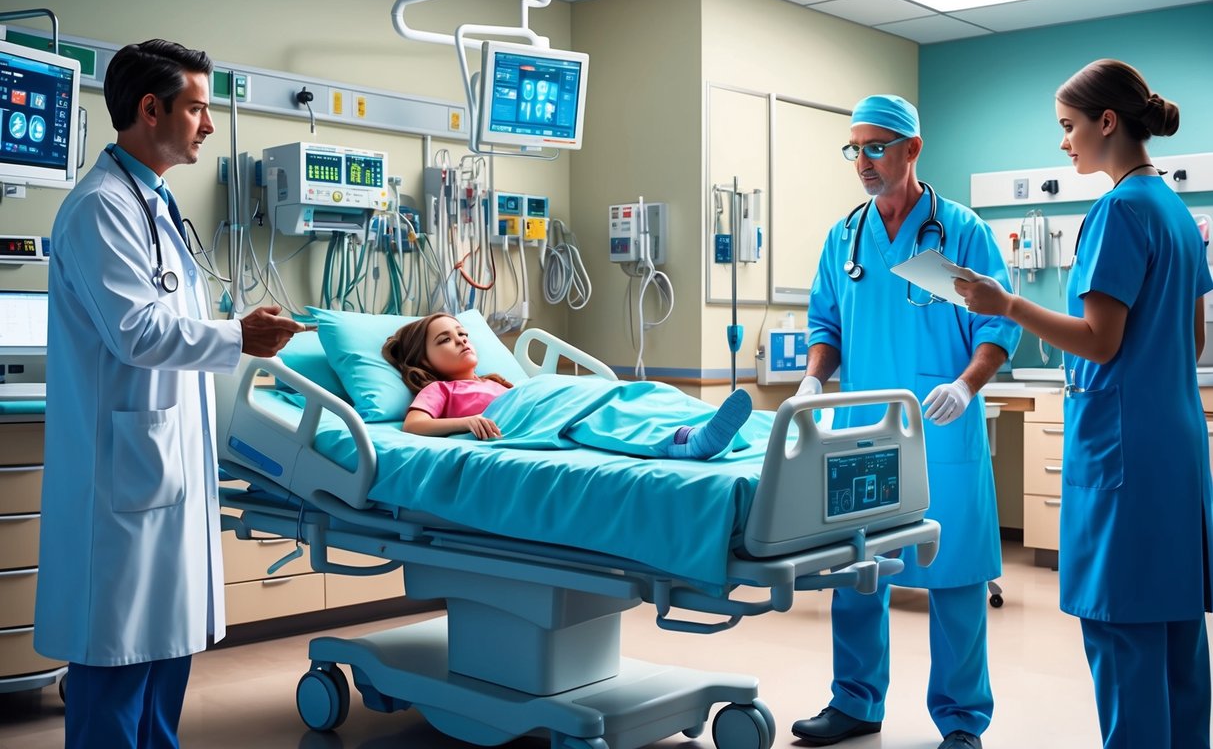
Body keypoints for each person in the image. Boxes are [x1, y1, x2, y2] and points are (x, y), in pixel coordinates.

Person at [34, 39, 307, 749]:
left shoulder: (150, 203)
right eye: (196, 108)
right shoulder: (100, 208)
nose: (208, 126)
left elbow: (167, 322)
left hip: (163, 461)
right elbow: (136, 331)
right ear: (149, 109)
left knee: (164, 659)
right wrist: (236, 336)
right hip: (123, 475)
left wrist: (232, 334)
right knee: (118, 662)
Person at [953, 59, 1212, 749]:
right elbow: (1190, 341)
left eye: (1067, 128)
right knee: (1176, 635)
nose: (1062, 143)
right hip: (1174, 446)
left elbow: (1099, 341)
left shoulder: (1119, 210)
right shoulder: (1177, 215)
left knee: (1123, 630)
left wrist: (1004, 303)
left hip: (1124, 456)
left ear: (1105, 122)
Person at [792, 95, 1020, 749]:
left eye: (874, 147)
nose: (861, 161)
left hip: (941, 429)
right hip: (864, 431)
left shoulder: (959, 233)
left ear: (910, 149)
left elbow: (996, 326)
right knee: (859, 573)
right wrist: (813, 374)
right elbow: (824, 322)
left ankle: (959, 721)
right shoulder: (845, 236)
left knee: (956, 579)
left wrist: (965, 383)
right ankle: (855, 703)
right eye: (852, 148)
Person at [382, 313, 752, 459]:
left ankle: (700, 420)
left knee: (629, 395)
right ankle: (684, 442)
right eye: (445, 339)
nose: (462, 340)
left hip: (540, 398)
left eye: (463, 333)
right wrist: (466, 422)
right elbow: (413, 426)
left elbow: (537, 395)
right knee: (598, 420)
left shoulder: (494, 380)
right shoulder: (441, 390)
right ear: (424, 360)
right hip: (520, 416)